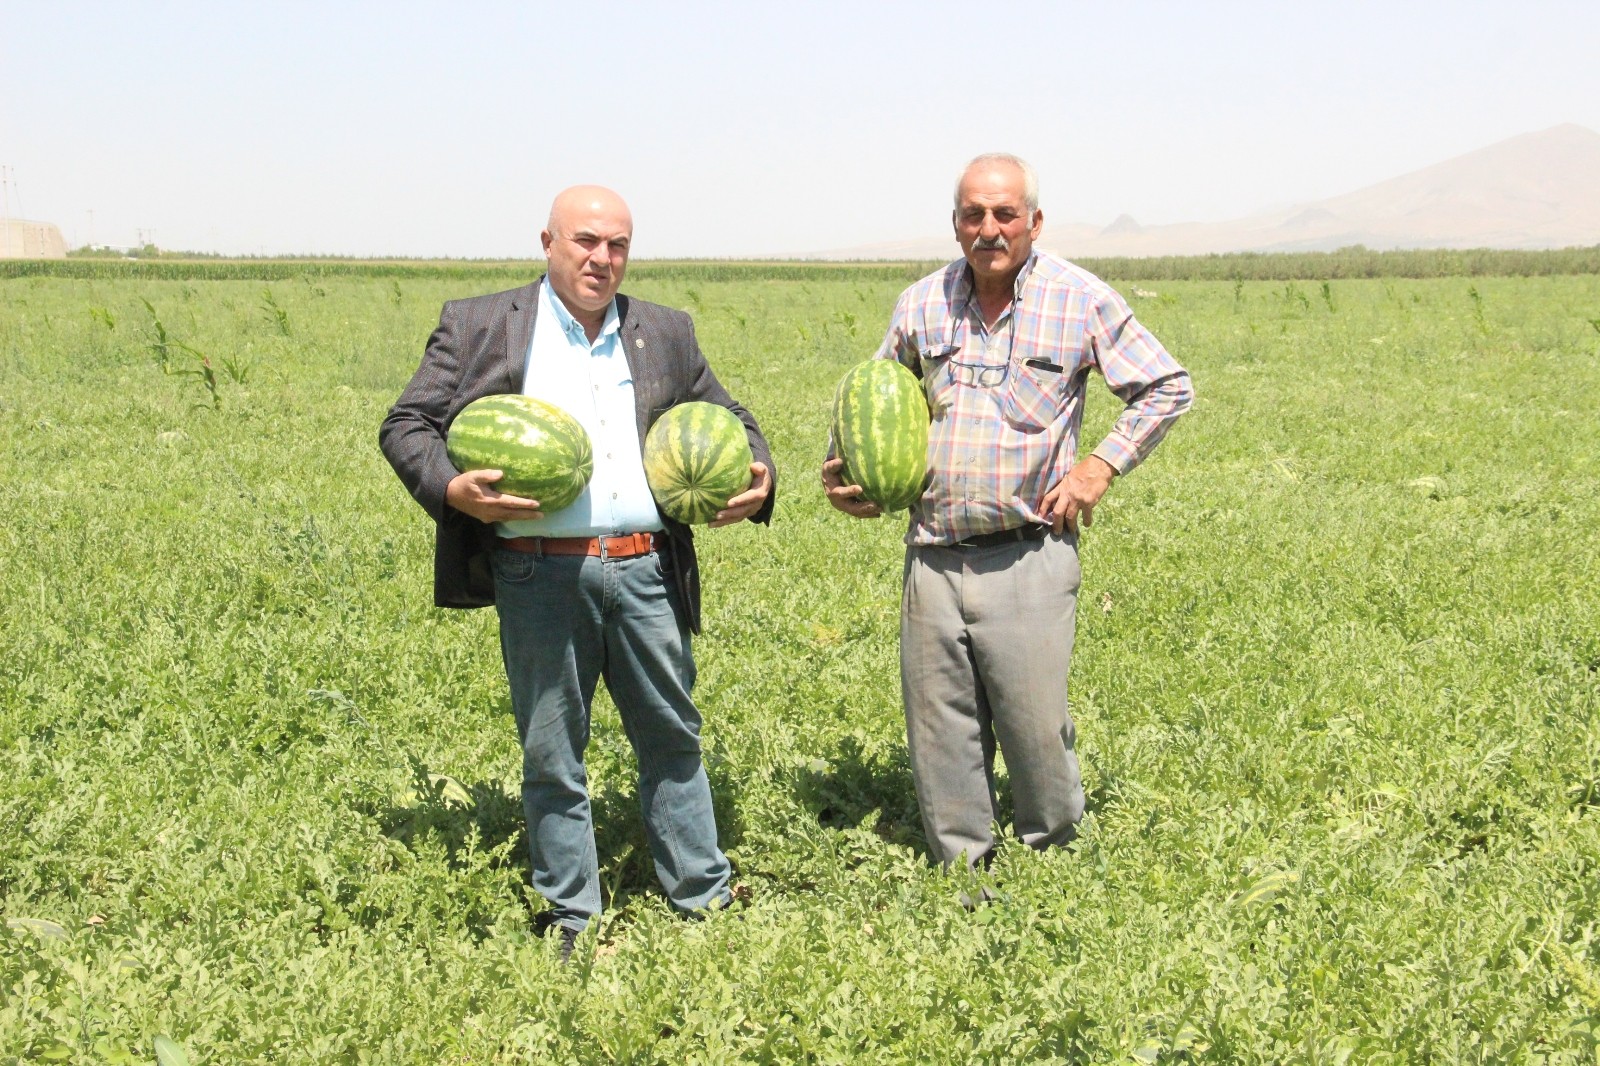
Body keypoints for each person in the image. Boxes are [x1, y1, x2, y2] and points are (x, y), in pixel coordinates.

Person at [381, 185, 775, 958]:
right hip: (539, 572)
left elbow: (730, 416)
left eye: (617, 245)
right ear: (549, 242)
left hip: (646, 569)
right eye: (586, 241)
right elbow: (407, 423)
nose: (602, 258)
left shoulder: (664, 330)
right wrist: (451, 490)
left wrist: (759, 471)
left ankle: (701, 893)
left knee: (673, 735)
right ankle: (571, 913)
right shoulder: (481, 324)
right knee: (553, 749)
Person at [822, 153, 1192, 871]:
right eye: (973, 215)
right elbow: (875, 395)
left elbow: (1167, 386)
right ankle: (966, 876)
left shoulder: (1078, 298)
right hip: (932, 552)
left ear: (1033, 221)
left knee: (1034, 730)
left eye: (1004, 214)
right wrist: (847, 478)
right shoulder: (922, 304)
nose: (989, 229)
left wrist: (1099, 465)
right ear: (956, 222)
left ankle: (1051, 865)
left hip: (1028, 553)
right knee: (941, 732)